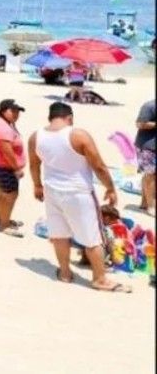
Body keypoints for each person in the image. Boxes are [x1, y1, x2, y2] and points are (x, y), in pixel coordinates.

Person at [27, 102, 131, 292]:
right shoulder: (77, 134)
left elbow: (34, 165)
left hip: (52, 191)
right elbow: (98, 165)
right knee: (93, 238)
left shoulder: (36, 137)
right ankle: (99, 279)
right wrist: (110, 187)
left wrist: (37, 185)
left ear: (51, 117)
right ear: (70, 117)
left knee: (59, 234)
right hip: (78, 192)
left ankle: (65, 273)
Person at [0, 99, 27, 237]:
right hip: (2, 166)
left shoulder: (0, 122)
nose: (16, 114)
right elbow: (6, 150)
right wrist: (16, 168)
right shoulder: (3, 127)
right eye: (12, 111)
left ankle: (0, 218)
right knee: (10, 194)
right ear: (3, 111)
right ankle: (4, 225)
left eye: (18, 111)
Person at [135, 98, 156, 214]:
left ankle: (144, 202)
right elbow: (139, 123)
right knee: (150, 175)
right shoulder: (149, 106)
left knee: (150, 175)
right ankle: (151, 206)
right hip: (147, 146)